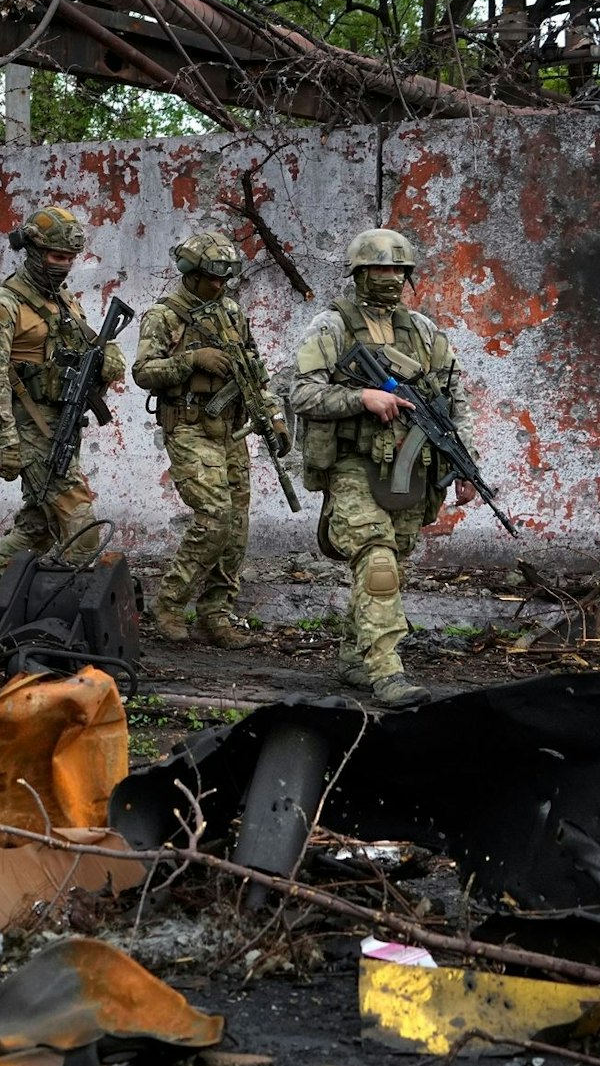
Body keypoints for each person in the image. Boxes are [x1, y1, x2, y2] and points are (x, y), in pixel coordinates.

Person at [290, 228, 477, 710]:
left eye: (398, 269)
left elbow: (456, 398)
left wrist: (464, 463)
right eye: (379, 268)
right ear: (358, 273)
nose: (390, 278)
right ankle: (386, 671)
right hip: (354, 465)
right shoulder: (330, 326)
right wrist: (361, 396)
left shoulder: (424, 330)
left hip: (410, 466)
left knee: (396, 556)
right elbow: (301, 393)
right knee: (377, 559)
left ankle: (355, 655)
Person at [0, 206, 126, 639]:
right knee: (82, 532)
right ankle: (62, 615)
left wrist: (106, 358)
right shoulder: (4, 305)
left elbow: (87, 350)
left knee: (37, 528)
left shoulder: (61, 300)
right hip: (33, 433)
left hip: (63, 424)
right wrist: (9, 442)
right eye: (54, 255)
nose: (61, 264)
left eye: (68, 257)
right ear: (33, 251)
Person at [133, 231, 285, 650]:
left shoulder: (232, 312)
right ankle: (168, 603)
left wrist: (274, 416)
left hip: (231, 431)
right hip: (188, 426)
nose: (219, 287)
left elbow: (255, 369)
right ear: (191, 274)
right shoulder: (164, 316)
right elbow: (143, 372)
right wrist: (191, 360)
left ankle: (215, 613)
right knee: (214, 516)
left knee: (236, 526)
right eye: (211, 279)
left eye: (224, 280)